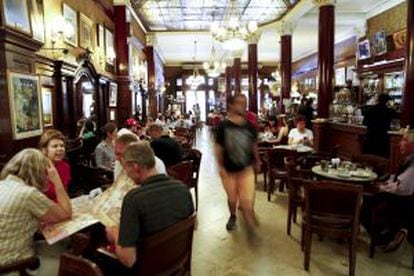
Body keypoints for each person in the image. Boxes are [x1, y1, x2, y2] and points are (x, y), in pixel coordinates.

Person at [104, 142, 194, 272]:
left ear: (135, 166)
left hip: (148, 269)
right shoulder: (182, 188)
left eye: (125, 169)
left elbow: (128, 260)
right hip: (176, 261)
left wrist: (115, 234)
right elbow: (193, 224)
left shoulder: (134, 199)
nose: (126, 174)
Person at [0, 148, 72, 266]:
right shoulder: (27, 193)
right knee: (65, 248)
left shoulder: (3, 184)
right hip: (14, 265)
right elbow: (66, 213)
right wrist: (57, 180)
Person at [361, 130, 414, 252]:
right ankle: (393, 231)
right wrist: (384, 183)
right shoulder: (408, 159)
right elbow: (397, 179)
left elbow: (403, 189)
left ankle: (383, 238)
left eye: (405, 140)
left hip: (400, 201)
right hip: (400, 197)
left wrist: (381, 187)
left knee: (364, 205)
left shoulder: (412, 163)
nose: (400, 143)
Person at [215, 94, 260, 232]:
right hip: (229, 170)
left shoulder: (250, 126)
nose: (242, 105)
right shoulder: (223, 126)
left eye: (244, 103)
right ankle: (233, 215)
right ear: (231, 106)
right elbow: (218, 148)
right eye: (239, 103)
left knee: (247, 199)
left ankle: (249, 222)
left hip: (246, 169)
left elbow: (254, 145)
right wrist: (221, 166)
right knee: (232, 198)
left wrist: (257, 160)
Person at [39, 129, 71, 201]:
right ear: (44, 150)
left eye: (62, 146)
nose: (60, 149)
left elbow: (64, 194)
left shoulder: (65, 167)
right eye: (55, 146)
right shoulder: (38, 168)